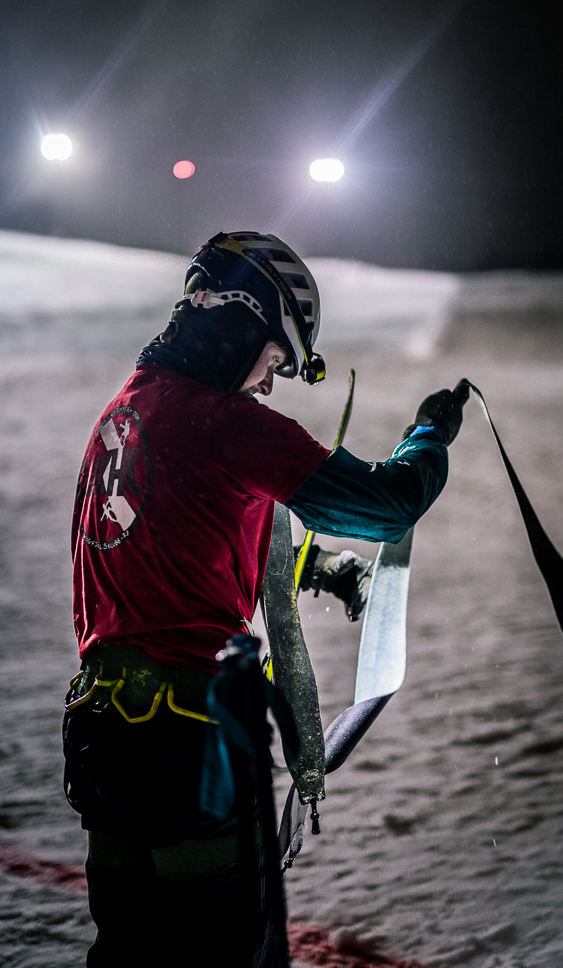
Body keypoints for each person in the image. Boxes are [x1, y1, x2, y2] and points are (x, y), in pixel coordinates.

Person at [63, 230, 468, 967]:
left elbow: (190, 536)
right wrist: (428, 437)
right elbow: (388, 505)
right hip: (187, 745)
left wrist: (324, 568)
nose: (270, 384)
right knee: (221, 953)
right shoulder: (223, 422)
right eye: (276, 359)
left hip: (103, 737)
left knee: (129, 951)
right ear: (245, 324)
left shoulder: (124, 415)